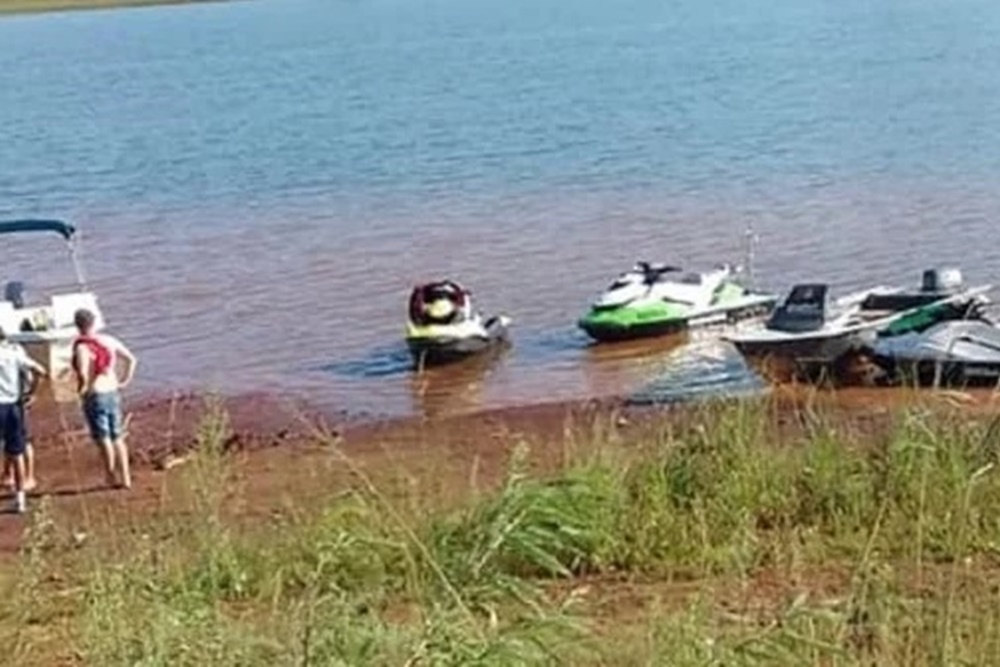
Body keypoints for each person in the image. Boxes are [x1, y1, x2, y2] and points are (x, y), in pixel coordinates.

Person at [71, 309, 137, 490]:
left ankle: (110, 475)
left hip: (95, 394)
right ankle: (126, 477)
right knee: (117, 436)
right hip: (113, 391)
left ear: (77, 325)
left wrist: (81, 391)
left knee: (103, 437)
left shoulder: (82, 347)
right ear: (94, 323)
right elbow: (131, 359)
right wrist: (124, 380)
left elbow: (83, 374)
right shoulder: (108, 340)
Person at [0, 328, 46, 513]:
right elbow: (40, 371)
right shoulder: (13, 354)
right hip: (13, 406)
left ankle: (9, 479)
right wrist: (32, 394)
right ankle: (20, 499)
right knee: (17, 450)